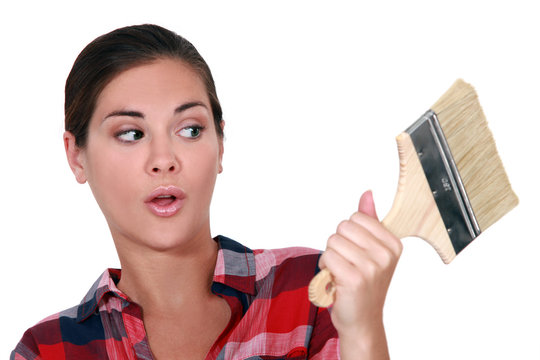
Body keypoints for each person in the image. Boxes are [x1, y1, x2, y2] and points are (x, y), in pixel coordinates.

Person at [11, 24, 402, 360]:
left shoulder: (313, 290)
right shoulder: (48, 350)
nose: (163, 160)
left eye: (190, 130)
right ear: (76, 156)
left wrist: (363, 332)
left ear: (220, 145)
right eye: (130, 134)